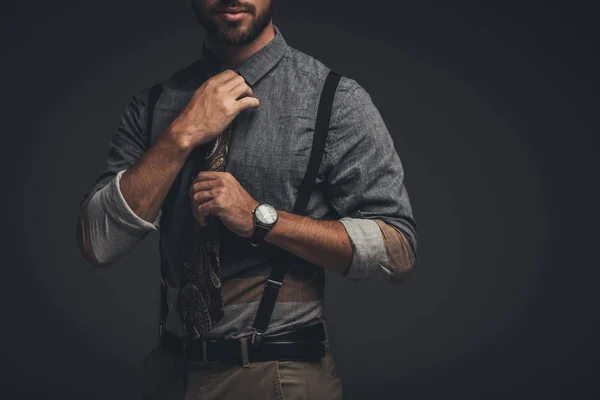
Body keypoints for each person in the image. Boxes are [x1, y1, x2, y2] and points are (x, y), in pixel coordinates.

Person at [76, 0, 418, 398]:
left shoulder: (334, 99)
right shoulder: (154, 106)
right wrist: (182, 134)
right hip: (169, 375)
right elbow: (97, 244)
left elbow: (398, 251)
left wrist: (262, 219)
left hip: (277, 376)